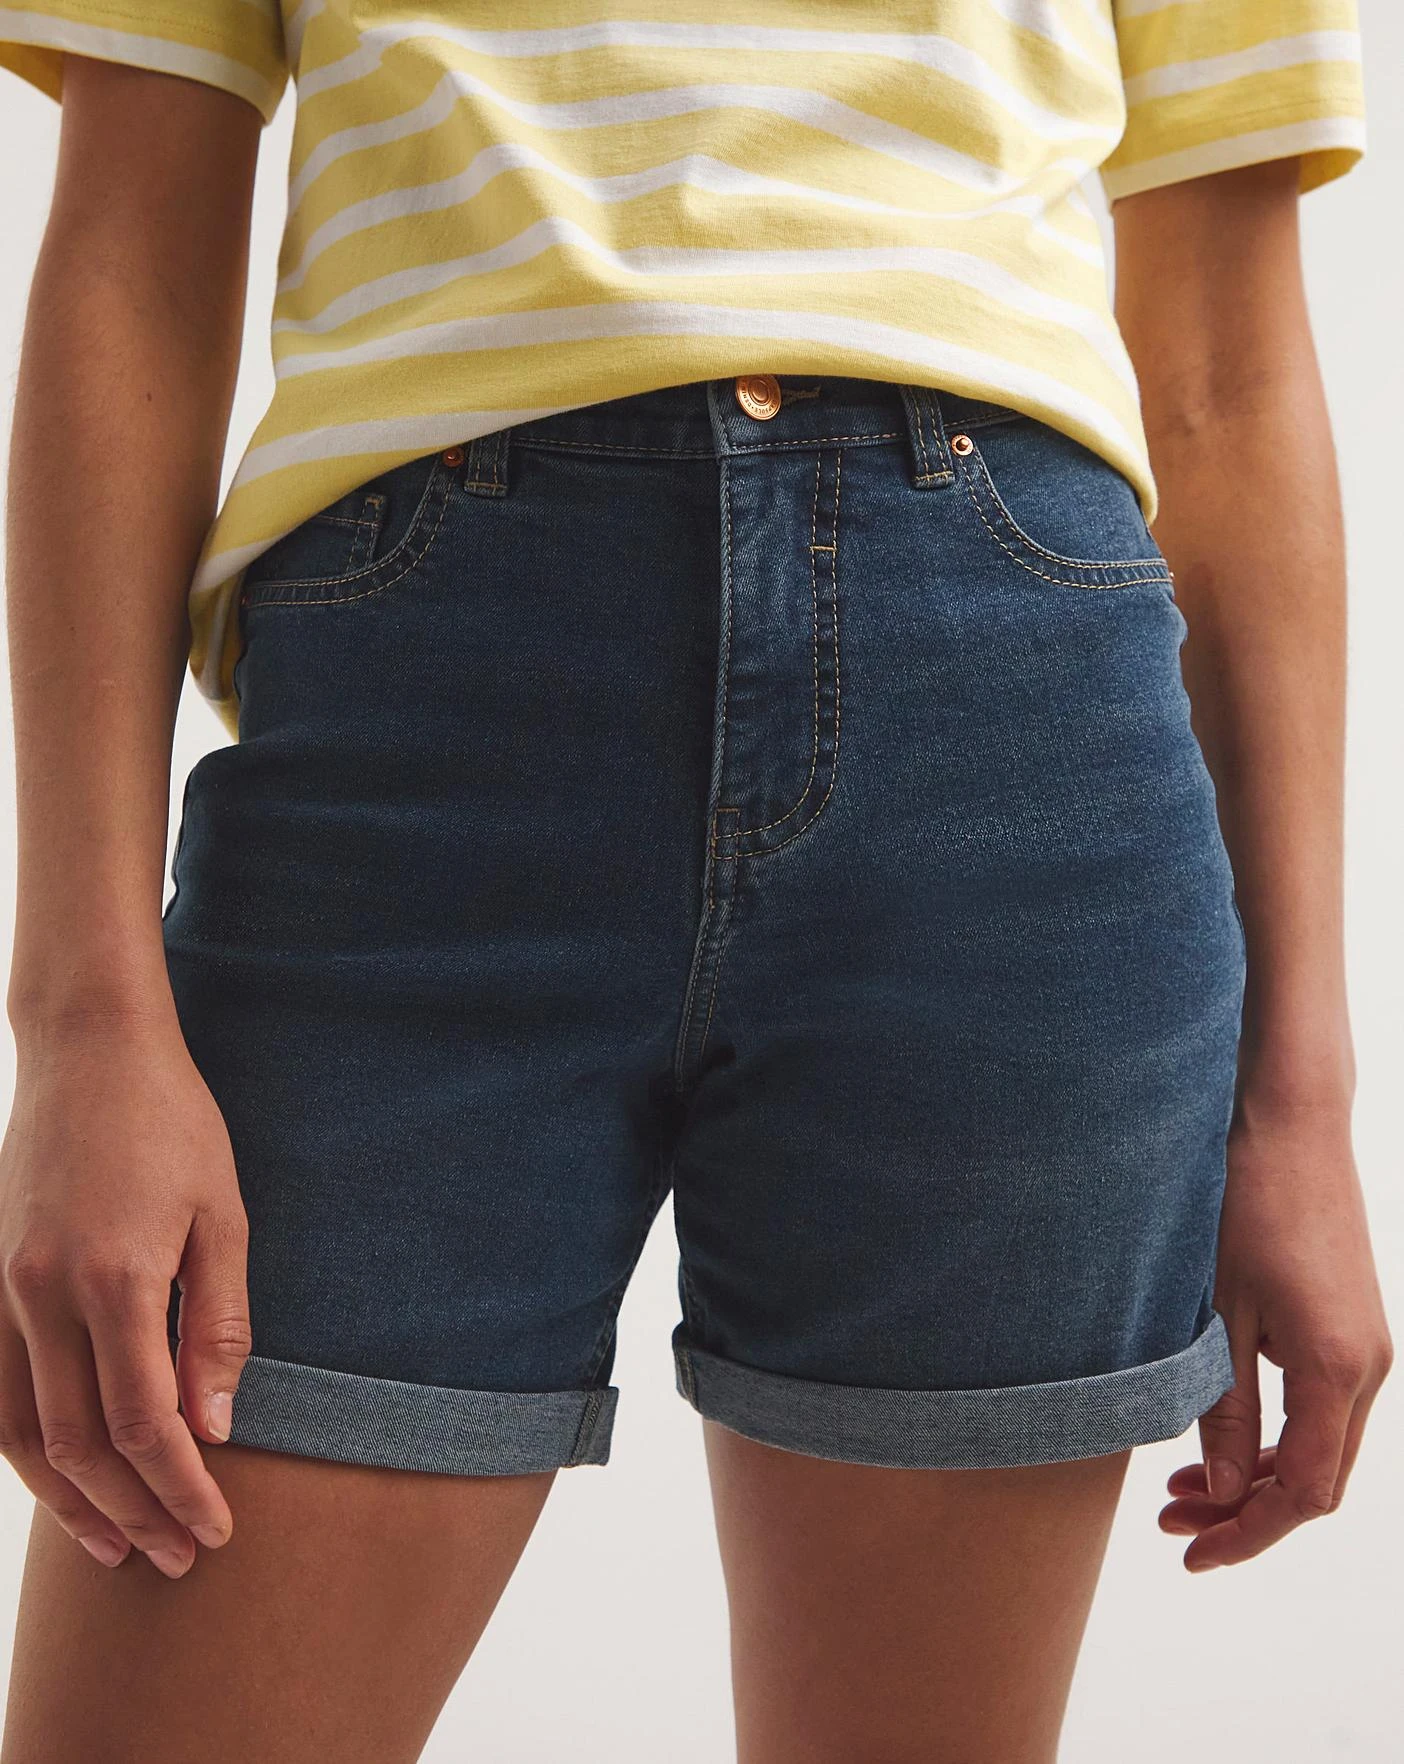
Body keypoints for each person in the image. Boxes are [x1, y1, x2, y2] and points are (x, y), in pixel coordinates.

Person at [0, 3, 1391, 1760]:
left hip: (1011, 745)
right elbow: (128, 255)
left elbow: (1226, 371)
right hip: (417, 767)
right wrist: (80, 1023)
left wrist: (1302, 1106)